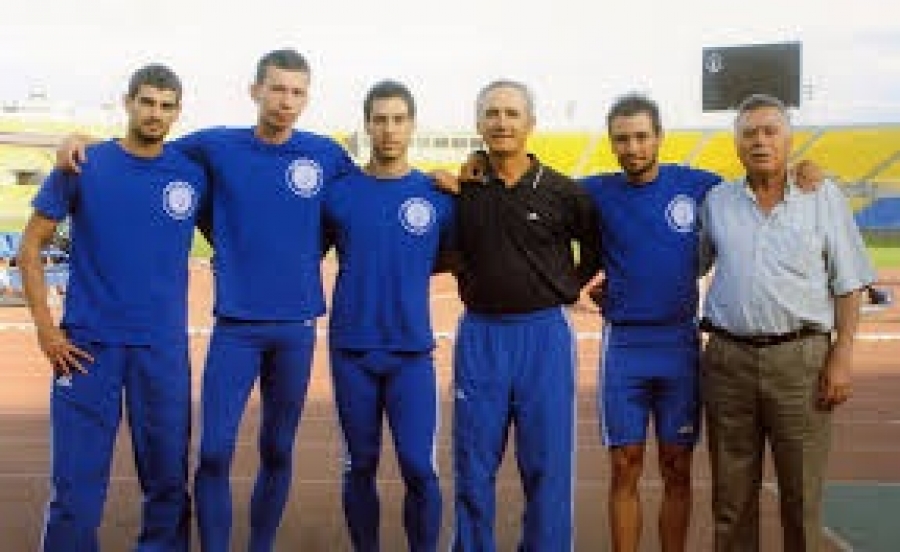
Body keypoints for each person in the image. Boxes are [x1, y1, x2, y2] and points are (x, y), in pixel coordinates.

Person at [58, 48, 356, 552]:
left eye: (297, 92)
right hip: (235, 327)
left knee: (277, 449)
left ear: (307, 97)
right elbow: (143, 145)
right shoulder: (214, 146)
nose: (286, 101)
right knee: (213, 452)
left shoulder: (326, 155)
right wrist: (81, 140)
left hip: (297, 329)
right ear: (255, 90)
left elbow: (366, 196)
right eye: (277, 89)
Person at [18, 64, 206, 552]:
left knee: (168, 484)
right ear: (128, 103)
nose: (155, 113)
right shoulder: (84, 164)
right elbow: (30, 246)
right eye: (147, 102)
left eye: (166, 106)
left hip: (161, 351)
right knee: (75, 490)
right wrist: (46, 330)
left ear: (178, 113)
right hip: (86, 348)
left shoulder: (192, 173)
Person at [698, 93, 875, 552]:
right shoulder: (717, 202)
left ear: (789, 140)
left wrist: (841, 357)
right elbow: (686, 266)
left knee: (801, 499)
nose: (760, 141)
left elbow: (849, 283)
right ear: (736, 144)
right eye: (749, 134)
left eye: (769, 131)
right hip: (728, 362)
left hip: (801, 363)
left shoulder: (822, 197)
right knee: (731, 503)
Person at [449, 79, 601, 551]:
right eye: (492, 113)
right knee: (473, 465)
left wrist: (568, 284)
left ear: (531, 123)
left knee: (547, 466)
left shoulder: (563, 192)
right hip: (481, 338)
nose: (502, 122)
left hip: (543, 338)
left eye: (512, 113)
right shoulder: (463, 190)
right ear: (479, 124)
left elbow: (595, 246)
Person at [579, 94, 722, 552]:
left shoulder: (698, 185)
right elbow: (533, 191)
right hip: (624, 346)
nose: (633, 147)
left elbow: (759, 185)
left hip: (679, 344)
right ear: (611, 143)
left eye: (642, 136)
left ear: (659, 136)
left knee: (677, 466)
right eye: (622, 139)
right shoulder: (595, 191)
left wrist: (804, 173)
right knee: (625, 464)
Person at [322, 80, 454, 552]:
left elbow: (453, 256)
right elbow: (299, 251)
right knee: (360, 465)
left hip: (411, 352)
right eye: (380, 119)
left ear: (412, 125)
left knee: (419, 466)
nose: (389, 129)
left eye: (399, 119)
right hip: (351, 350)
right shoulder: (338, 194)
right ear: (367, 125)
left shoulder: (438, 196)